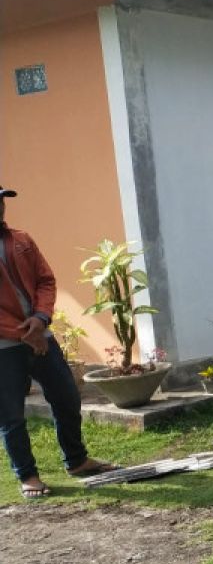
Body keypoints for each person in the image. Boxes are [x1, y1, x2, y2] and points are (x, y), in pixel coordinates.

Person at [0, 187, 115, 498]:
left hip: (41, 335)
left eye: (1, 200)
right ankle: (28, 476)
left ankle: (76, 461)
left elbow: (45, 281)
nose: (0, 207)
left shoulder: (22, 240)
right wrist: (24, 332)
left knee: (66, 397)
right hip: (5, 347)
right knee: (10, 415)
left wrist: (40, 319)